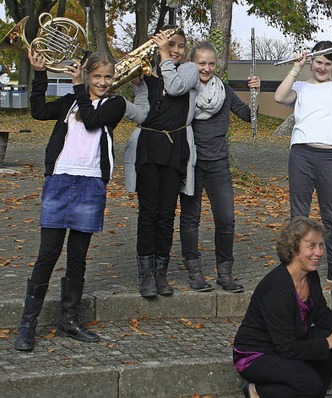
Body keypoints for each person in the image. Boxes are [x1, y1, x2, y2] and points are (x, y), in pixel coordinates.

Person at [14, 51, 126, 351]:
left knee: (77, 256)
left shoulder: (115, 104)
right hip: (61, 180)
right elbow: (37, 110)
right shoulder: (69, 101)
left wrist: (78, 86)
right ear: (88, 75)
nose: (102, 82)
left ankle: (69, 320)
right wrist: (39, 74)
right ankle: (28, 324)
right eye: (97, 76)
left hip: (90, 183)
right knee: (47, 253)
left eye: (108, 77)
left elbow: (91, 121)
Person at [274, 38, 332, 286]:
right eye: (317, 62)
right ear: (311, 61)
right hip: (301, 154)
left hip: (331, 156)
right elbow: (280, 97)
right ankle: (295, 265)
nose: (321, 67)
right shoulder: (301, 87)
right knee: (299, 214)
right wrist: (295, 67)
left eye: (326, 63)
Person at [233, 216, 332, 398]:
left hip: (289, 343)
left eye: (321, 245)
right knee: (310, 382)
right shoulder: (277, 288)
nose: (319, 252)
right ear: (294, 248)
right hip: (256, 354)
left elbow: (323, 316)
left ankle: (315, 391)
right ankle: (255, 391)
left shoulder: (310, 276)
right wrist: (328, 342)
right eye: (311, 246)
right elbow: (286, 348)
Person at [177, 41, 260, 293]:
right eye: (201, 63)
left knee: (226, 219)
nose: (207, 68)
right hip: (190, 160)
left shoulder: (222, 90)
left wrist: (255, 91)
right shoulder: (183, 90)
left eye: (211, 63)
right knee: (191, 219)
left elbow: (248, 116)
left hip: (218, 162)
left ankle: (225, 273)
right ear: (193, 63)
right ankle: (194, 273)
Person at [124, 27, 201, 298]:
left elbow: (176, 87)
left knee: (167, 213)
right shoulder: (146, 78)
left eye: (180, 46)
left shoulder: (188, 70)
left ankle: (161, 273)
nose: (176, 50)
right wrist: (121, 104)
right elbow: (143, 114)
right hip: (148, 147)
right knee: (148, 213)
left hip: (174, 149)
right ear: (156, 47)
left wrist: (165, 57)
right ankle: (146, 274)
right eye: (170, 45)